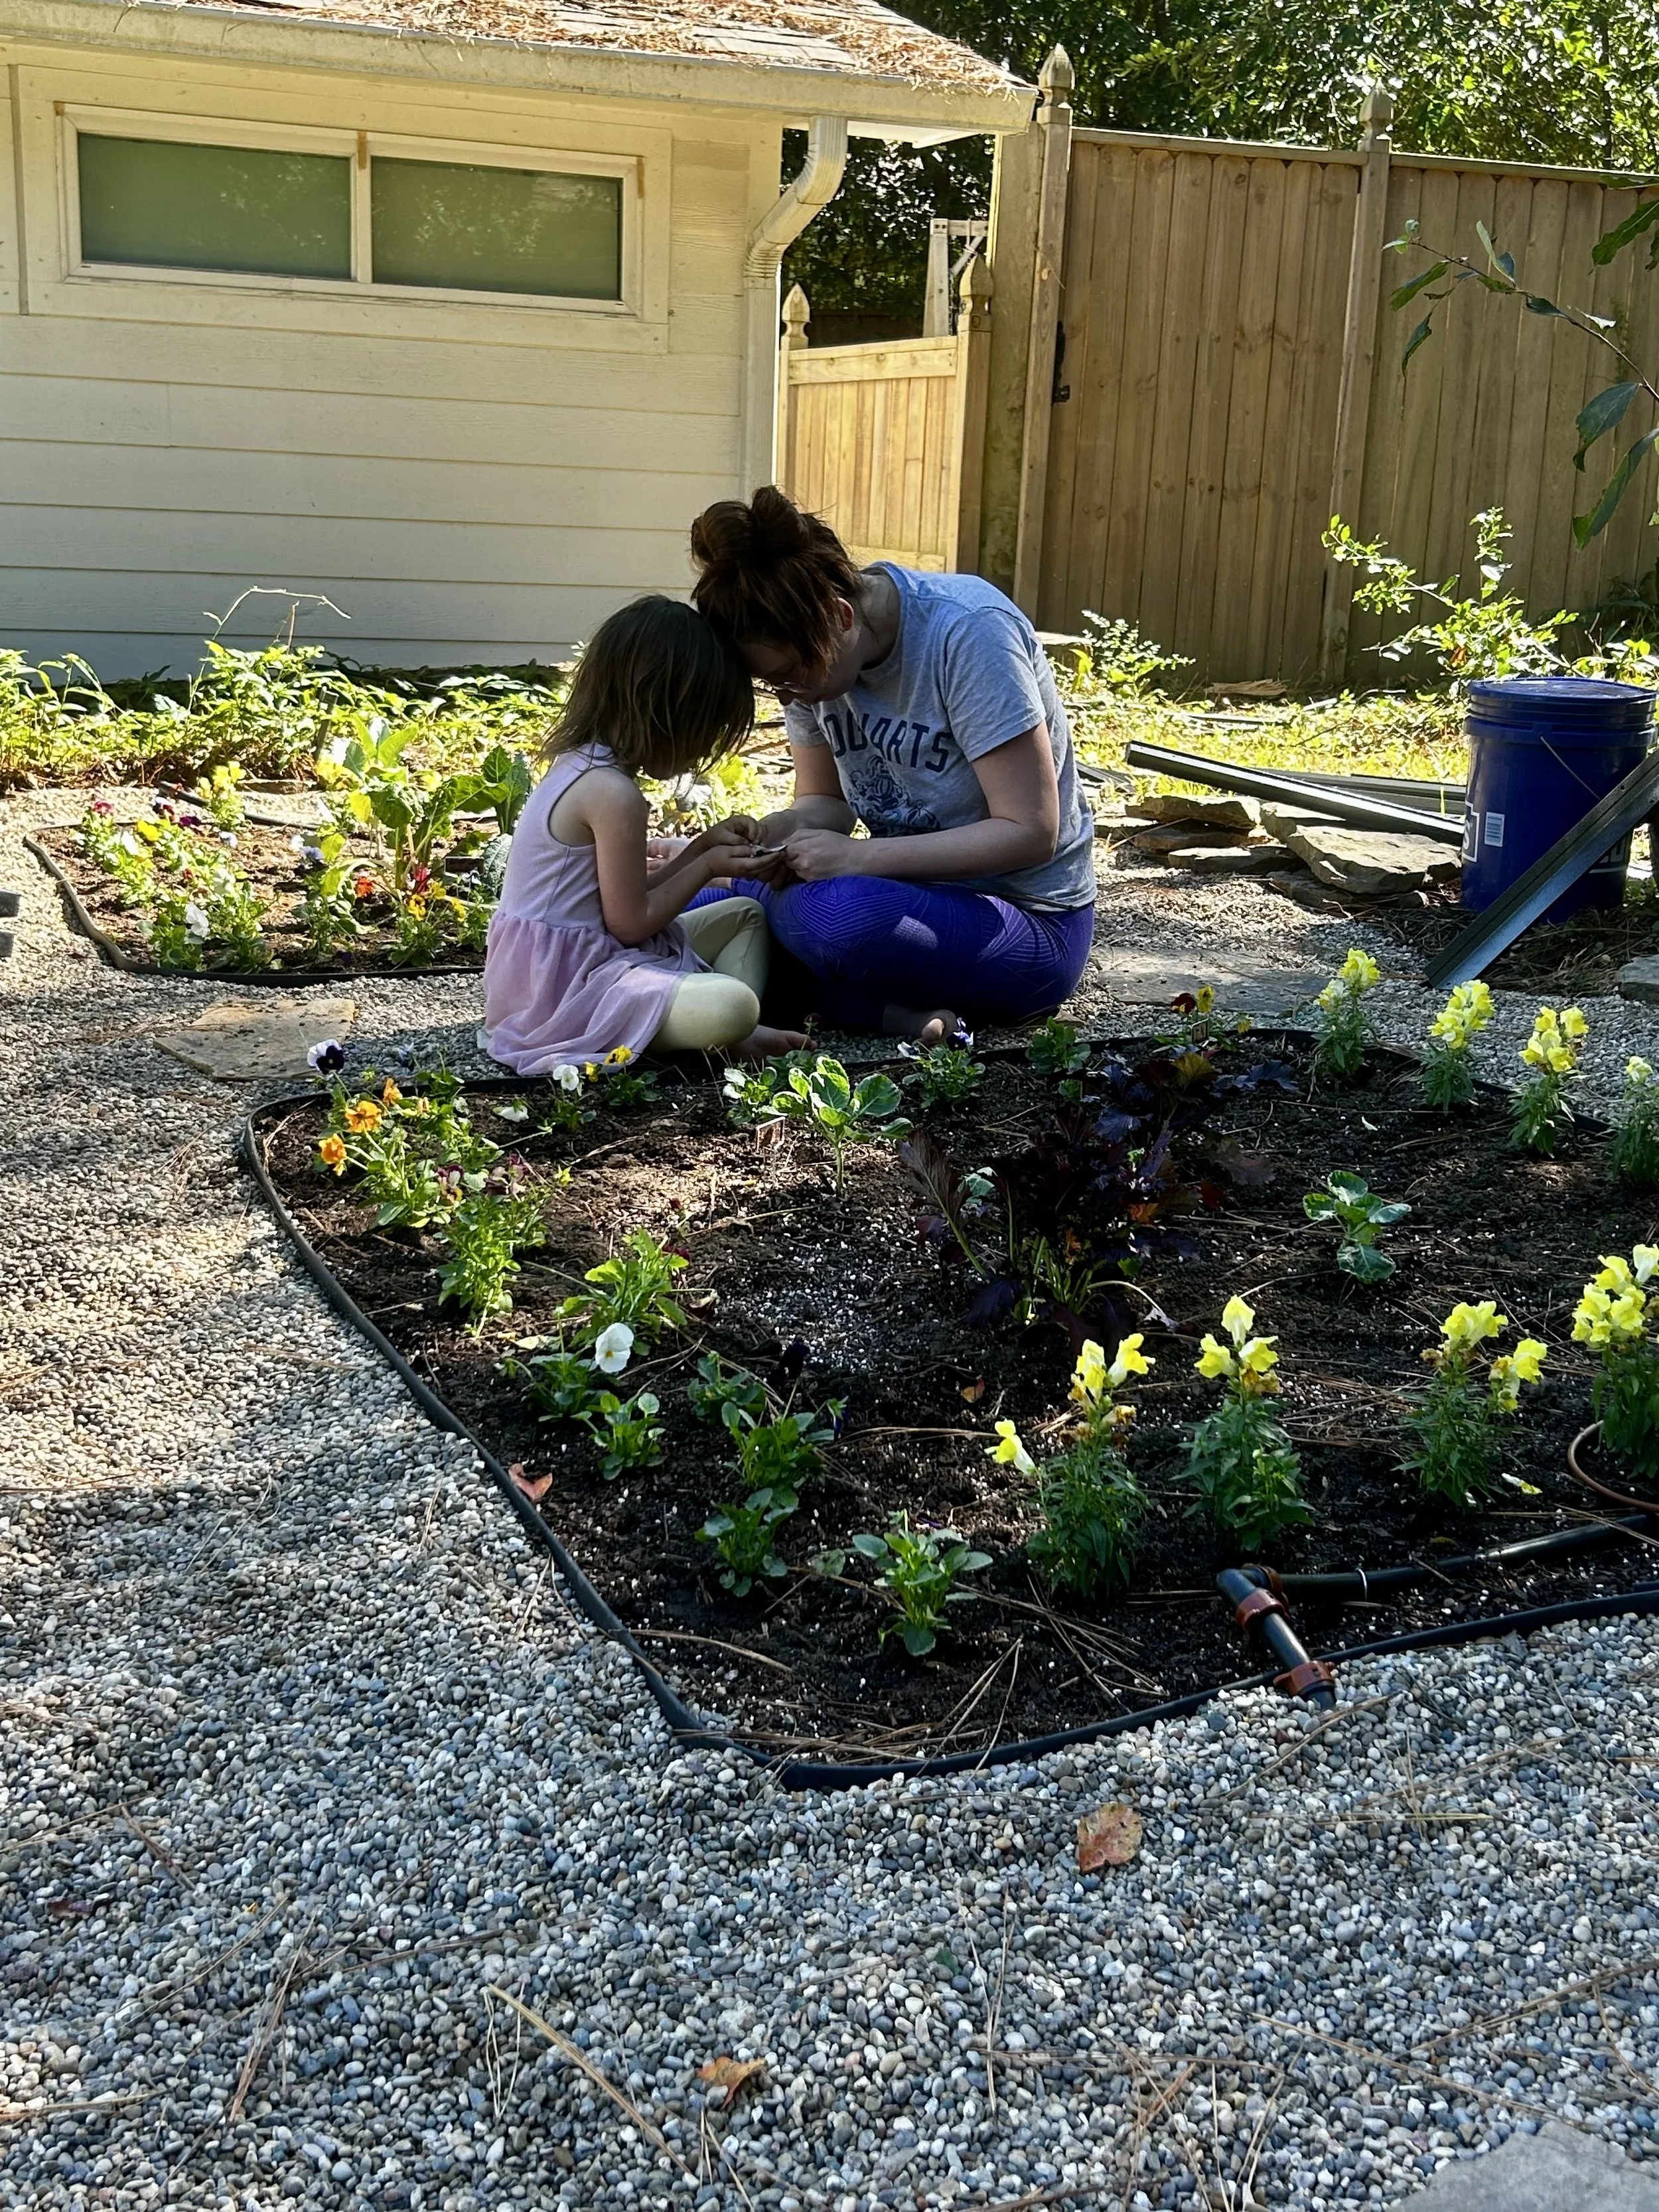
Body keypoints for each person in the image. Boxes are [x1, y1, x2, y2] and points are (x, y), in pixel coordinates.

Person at [687, 488, 1097, 1042]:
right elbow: (826, 806)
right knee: (691, 907)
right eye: (771, 684)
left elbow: (1031, 831)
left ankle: (781, 989)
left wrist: (859, 858)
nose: (786, 699)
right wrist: (768, 840)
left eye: (787, 676)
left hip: (1026, 919)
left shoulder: (968, 632)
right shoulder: (816, 672)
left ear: (839, 616)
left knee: (834, 920)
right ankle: (886, 1014)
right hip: (903, 894)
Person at [482, 595, 807, 1071]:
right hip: (568, 993)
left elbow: (620, 898)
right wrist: (709, 867)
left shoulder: (580, 765)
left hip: (555, 972)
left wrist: (702, 846)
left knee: (746, 916)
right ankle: (720, 1029)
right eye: (705, 733)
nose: (699, 756)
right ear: (665, 713)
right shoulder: (614, 795)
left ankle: (721, 1034)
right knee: (733, 1005)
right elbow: (631, 922)